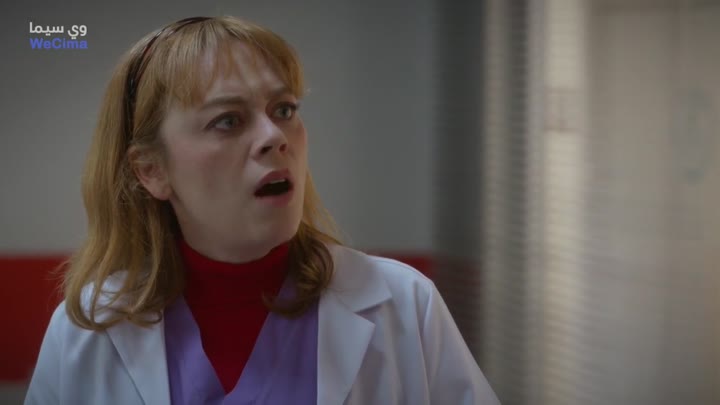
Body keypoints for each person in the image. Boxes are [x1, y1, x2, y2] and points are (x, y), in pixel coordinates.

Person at [24, 15, 500, 405]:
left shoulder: (404, 305)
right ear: (152, 170)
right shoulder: (87, 330)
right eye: (227, 120)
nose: (274, 137)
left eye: (284, 110)